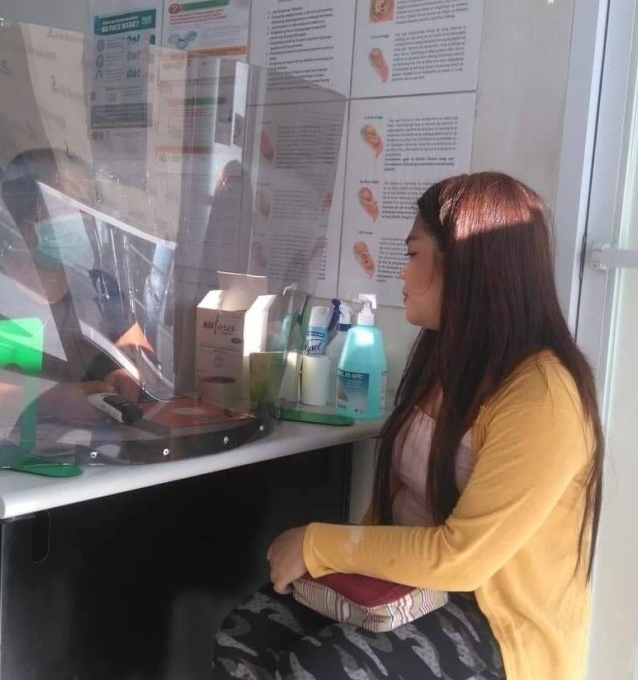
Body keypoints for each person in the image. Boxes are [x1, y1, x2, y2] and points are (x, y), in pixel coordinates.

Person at [213, 172, 605, 679]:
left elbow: (461, 559)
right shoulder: (446, 359)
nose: (401, 274)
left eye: (414, 254)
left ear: (465, 266)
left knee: (318, 669)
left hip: (495, 622)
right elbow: (398, 497)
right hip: (406, 587)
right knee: (243, 639)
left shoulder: (544, 397)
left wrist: (316, 543)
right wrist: (343, 569)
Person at [0, 148, 148, 424]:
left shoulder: (99, 287)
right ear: (24, 214)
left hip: (87, 453)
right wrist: (53, 400)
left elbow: (139, 357)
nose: (84, 217)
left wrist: (126, 377)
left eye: (87, 204)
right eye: (68, 203)